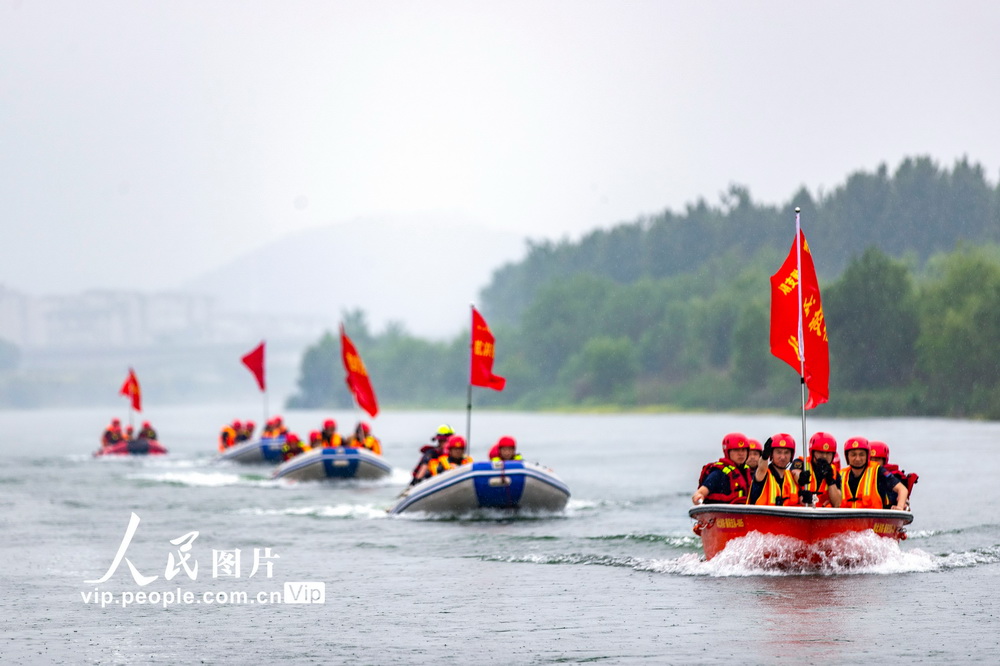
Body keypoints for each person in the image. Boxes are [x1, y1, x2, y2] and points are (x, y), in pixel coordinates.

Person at [839, 437, 908, 510]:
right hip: (846, 517)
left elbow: (902, 489)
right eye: (853, 455)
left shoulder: (878, 471)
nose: (858, 459)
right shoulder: (841, 474)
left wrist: (899, 506)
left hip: (875, 518)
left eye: (861, 455)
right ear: (847, 457)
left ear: (867, 456)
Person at [692, 432, 751, 505]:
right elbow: (700, 492)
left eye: (743, 450)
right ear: (727, 452)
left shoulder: (749, 472)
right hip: (721, 511)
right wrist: (698, 497)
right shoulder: (718, 473)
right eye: (736, 450)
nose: (741, 453)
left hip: (743, 511)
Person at [748, 433, 801, 506]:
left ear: (791, 455)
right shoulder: (763, 475)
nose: (782, 457)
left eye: (786, 453)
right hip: (763, 516)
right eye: (778, 452)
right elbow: (761, 469)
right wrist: (764, 456)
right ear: (771, 454)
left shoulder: (792, 477)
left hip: (788, 516)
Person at [793, 432, 842, 507]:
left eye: (828, 453)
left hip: (823, 513)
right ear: (812, 452)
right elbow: (795, 472)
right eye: (821, 452)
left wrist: (830, 481)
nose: (824, 456)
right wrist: (802, 477)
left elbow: (837, 504)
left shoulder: (834, 472)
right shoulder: (801, 462)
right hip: (803, 510)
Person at [870, 440, 918, 507]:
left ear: (884, 460)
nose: (874, 463)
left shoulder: (893, 476)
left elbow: (902, 491)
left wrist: (901, 506)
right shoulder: (859, 474)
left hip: (888, 510)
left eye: (877, 459)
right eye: (871, 459)